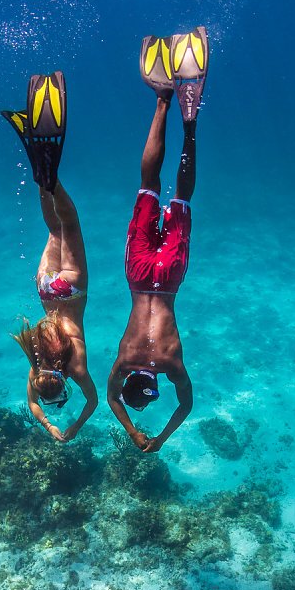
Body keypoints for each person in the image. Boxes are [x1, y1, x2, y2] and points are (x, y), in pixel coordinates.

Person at [107, 28, 209, 453]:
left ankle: (190, 123)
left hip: (167, 280)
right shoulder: (123, 362)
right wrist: (132, 431)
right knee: (149, 183)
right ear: (133, 378)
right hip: (138, 274)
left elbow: (187, 404)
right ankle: (163, 100)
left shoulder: (171, 363)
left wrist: (159, 438)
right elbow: (111, 398)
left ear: (151, 384)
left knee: (181, 195)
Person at [1, 72, 97, 442]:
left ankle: (50, 174)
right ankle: (42, 176)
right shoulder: (35, 366)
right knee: (53, 228)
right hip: (45, 289)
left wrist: (70, 428)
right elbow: (32, 405)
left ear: (62, 384)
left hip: (70, 291)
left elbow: (93, 403)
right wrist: (48, 424)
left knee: (69, 225)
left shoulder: (75, 369)